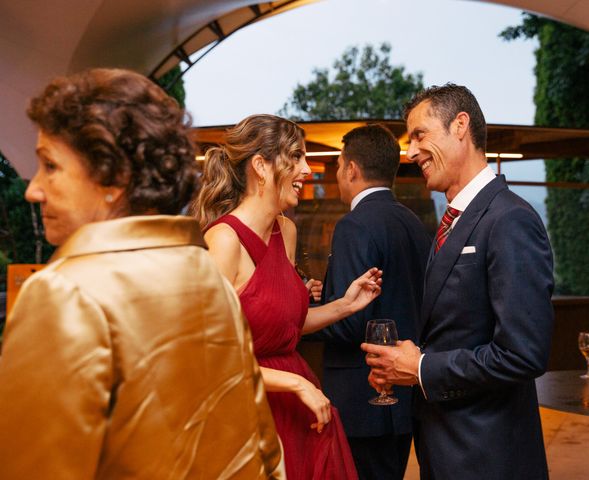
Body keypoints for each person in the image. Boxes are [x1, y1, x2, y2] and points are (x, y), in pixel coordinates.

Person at [0, 69, 284, 479]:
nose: (34, 188)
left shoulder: (64, 293)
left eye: (50, 165)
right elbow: (262, 451)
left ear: (112, 178)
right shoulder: (205, 275)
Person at [362, 84, 554, 480]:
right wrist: (408, 360)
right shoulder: (453, 221)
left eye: (420, 135)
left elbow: (523, 354)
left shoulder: (509, 219)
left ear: (460, 125)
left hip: (488, 456)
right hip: (447, 449)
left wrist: (421, 369)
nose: (411, 151)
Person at [191, 114, 382, 480]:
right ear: (261, 167)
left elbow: (283, 325)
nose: (307, 169)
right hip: (248, 408)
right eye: (295, 157)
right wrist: (295, 384)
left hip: (300, 407)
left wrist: (345, 304)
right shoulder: (223, 241)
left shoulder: (286, 230)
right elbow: (207, 361)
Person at [308, 124, 430, 479]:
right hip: (405, 395)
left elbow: (350, 323)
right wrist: (327, 298)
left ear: (351, 169)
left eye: (338, 165)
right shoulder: (412, 222)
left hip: (363, 395)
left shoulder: (354, 225)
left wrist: (299, 322)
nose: (337, 173)